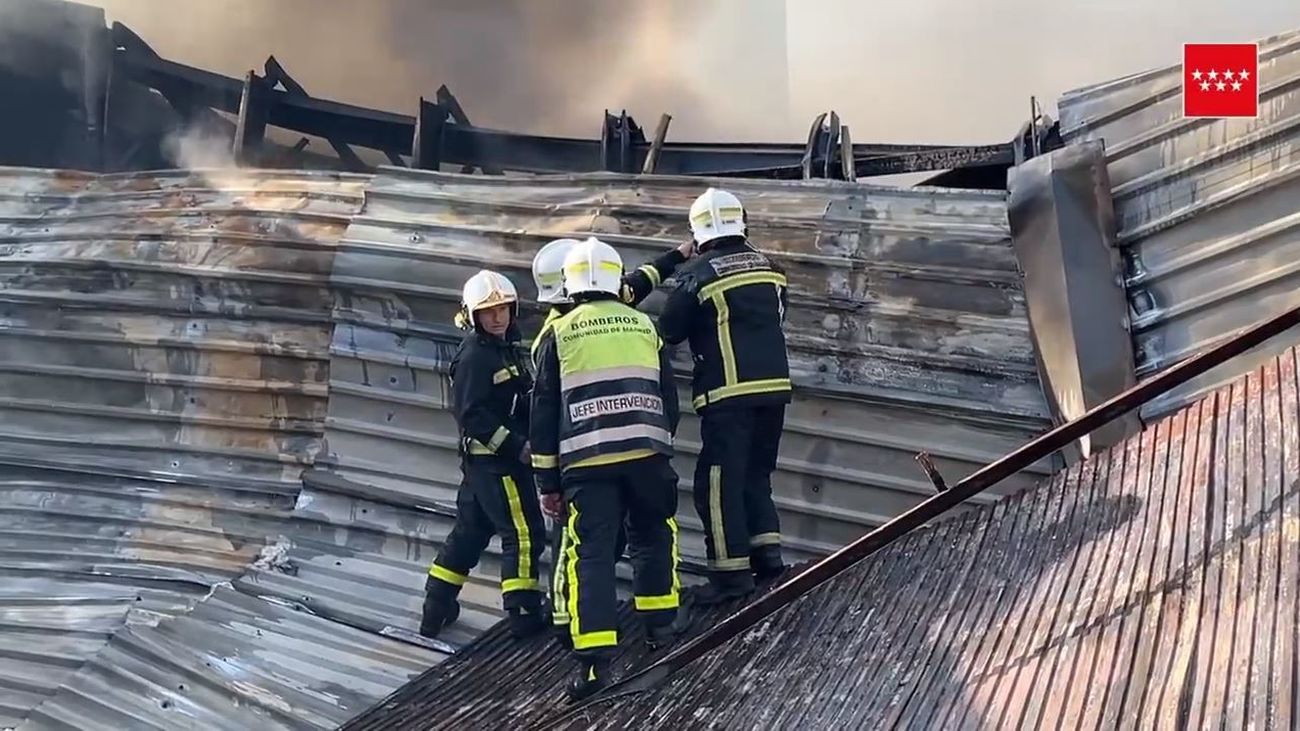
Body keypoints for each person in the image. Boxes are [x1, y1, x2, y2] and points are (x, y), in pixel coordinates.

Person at [530, 237, 684, 700]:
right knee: (654, 535)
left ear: (570, 284)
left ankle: (595, 666)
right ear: (615, 279)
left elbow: (543, 413)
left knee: (591, 557)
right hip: (647, 455)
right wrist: (657, 438)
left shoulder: (560, 333)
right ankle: (661, 629)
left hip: (588, 462)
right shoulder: (642, 322)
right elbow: (668, 396)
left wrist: (546, 481)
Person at [659, 187, 792, 605]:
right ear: (742, 223)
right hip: (774, 389)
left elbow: (669, 330)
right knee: (757, 475)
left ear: (698, 233)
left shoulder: (698, 275)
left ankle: (731, 576)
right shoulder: (772, 268)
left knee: (716, 483)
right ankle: (768, 557)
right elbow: (779, 314)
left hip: (727, 392)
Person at [420, 269, 547, 640]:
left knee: (470, 534)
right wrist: (516, 446)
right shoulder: (476, 356)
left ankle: (436, 605)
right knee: (524, 534)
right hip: (499, 465)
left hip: (484, 469)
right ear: (473, 316)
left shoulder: (506, 347)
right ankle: (523, 614)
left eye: (503, 309)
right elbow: (471, 414)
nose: (497, 317)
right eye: (488, 312)